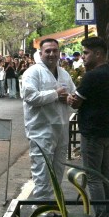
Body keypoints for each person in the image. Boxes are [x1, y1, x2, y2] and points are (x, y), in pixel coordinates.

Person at [67, 36, 109, 217]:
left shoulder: (92, 76)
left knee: (93, 176)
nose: (83, 56)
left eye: (86, 53)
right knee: (104, 173)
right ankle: (106, 213)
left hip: (92, 132)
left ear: (98, 54)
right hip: (106, 131)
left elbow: (75, 103)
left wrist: (71, 98)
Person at [22, 38, 76, 200]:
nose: (52, 54)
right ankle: (42, 208)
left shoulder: (64, 74)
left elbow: (73, 94)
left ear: (59, 52)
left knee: (58, 168)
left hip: (61, 129)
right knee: (42, 170)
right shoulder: (32, 73)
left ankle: (55, 204)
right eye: (48, 51)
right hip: (41, 130)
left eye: (55, 50)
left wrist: (69, 99)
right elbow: (30, 96)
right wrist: (55, 94)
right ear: (41, 53)